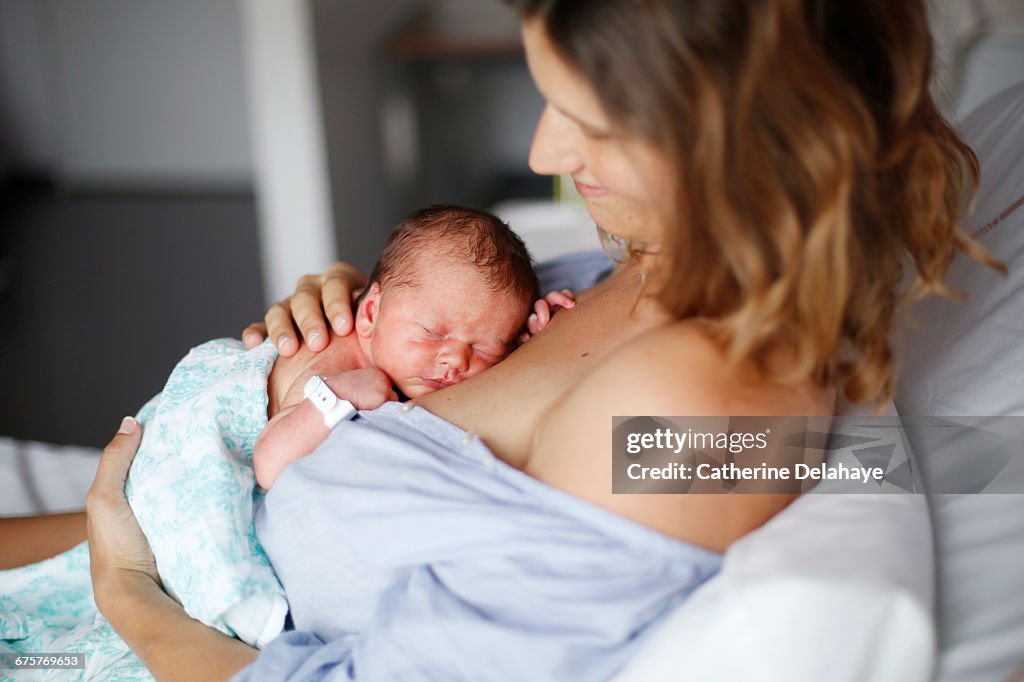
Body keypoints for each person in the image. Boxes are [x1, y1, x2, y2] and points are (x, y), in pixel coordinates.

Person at [5, 0, 999, 679]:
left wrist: (128, 588)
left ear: (735, 137)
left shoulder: (692, 405)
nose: (542, 154)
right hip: (191, 519)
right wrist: (370, 318)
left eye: (589, 120)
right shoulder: (644, 270)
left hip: (161, 606)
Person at [254, 203, 574, 489]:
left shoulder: (406, 326)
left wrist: (526, 336)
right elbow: (270, 466)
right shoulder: (336, 361)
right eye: (433, 333)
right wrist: (337, 397)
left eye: (485, 348)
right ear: (369, 312)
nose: (455, 359)